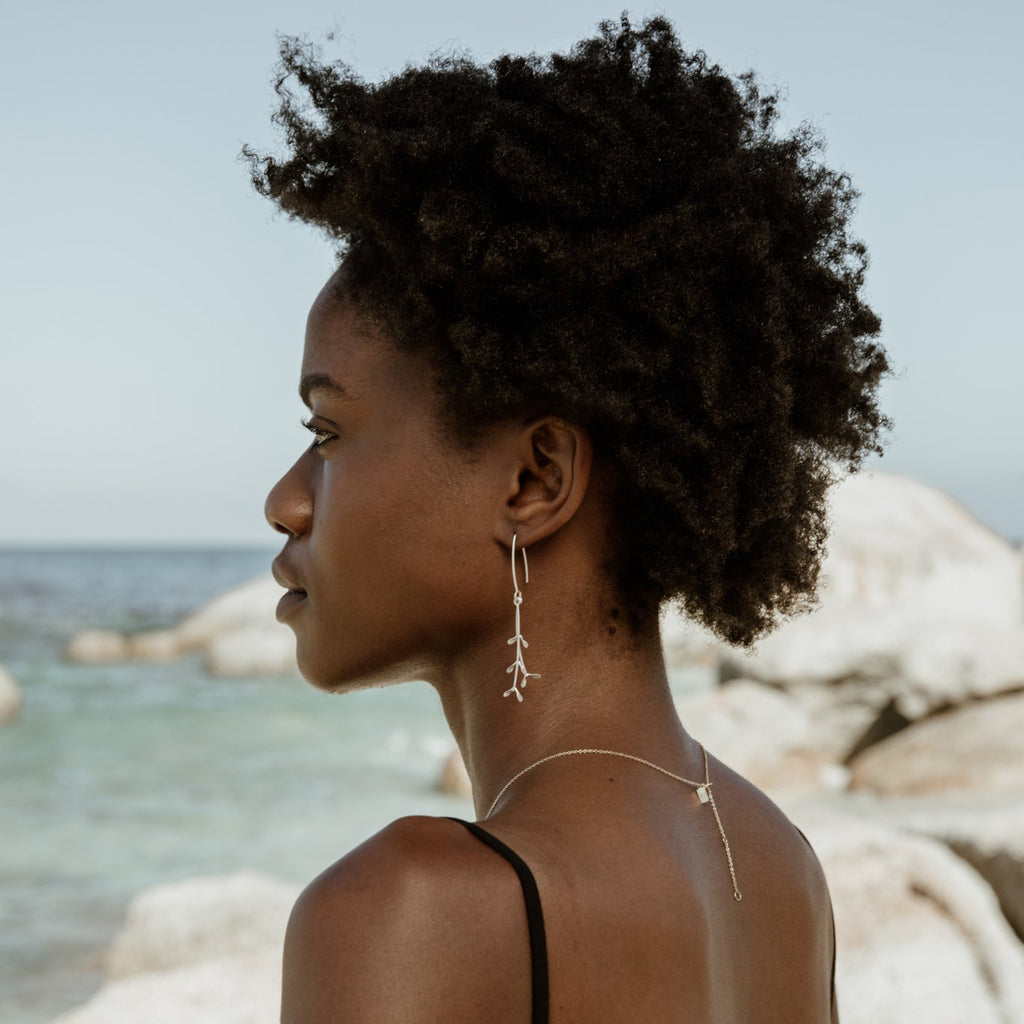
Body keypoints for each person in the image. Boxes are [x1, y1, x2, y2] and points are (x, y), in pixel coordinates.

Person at [250, 13, 888, 1023]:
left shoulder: (414, 909)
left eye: (326, 431)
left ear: (533, 480)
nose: (286, 499)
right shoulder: (778, 871)